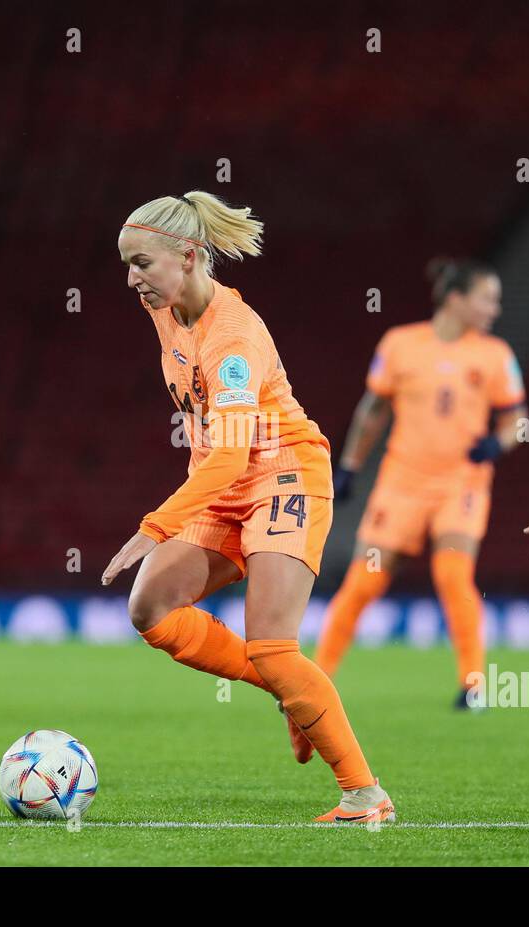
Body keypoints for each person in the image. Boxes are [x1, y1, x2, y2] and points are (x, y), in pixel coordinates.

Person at [102, 190, 394, 823]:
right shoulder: (168, 306)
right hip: (222, 482)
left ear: (189, 255)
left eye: (142, 263)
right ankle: (292, 692)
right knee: (149, 608)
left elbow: (235, 459)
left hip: (281, 474)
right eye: (126, 263)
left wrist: (154, 528)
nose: (132, 279)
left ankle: (365, 796)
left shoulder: (233, 341)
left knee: (272, 645)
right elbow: (218, 459)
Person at [314, 259, 527, 711]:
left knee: (452, 575)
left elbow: (517, 420)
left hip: (461, 484)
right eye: (487, 298)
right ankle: (316, 680)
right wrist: (349, 465)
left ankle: (473, 685)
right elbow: (373, 410)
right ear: (456, 299)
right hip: (401, 482)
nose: (495, 308)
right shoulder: (400, 344)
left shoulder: (494, 355)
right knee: (363, 582)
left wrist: (498, 443)